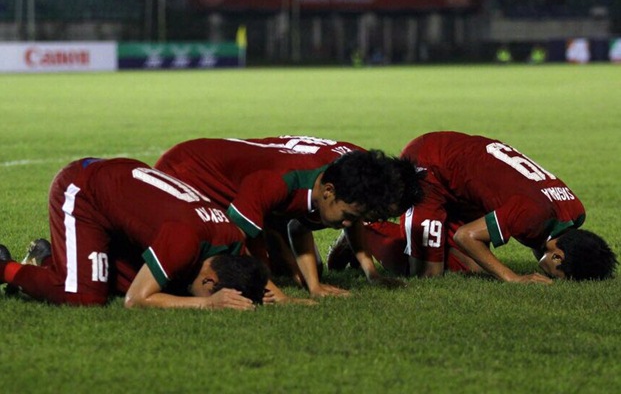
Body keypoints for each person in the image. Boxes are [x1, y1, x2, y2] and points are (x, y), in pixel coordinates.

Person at [155, 136, 424, 299]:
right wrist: (272, 290)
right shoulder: (282, 182)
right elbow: (242, 237)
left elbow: (294, 223)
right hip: (185, 173)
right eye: (348, 216)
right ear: (328, 192)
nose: (346, 224)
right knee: (202, 271)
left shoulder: (333, 179)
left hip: (241, 188)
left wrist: (314, 285)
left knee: (299, 270)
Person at [328, 131, 617, 283]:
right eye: (556, 274)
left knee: (473, 267)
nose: (547, 274)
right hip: (432, 168)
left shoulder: (574, 210)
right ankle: (364, 227)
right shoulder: (532, 215)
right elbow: (465, 236)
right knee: (427, 274)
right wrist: (512, 278)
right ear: (557, 258)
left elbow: (531, 234)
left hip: (463, 177)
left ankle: (395, 235)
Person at [0, 157, 270, 309]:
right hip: (83, 189)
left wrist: (278, 297)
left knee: (138, 280)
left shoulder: (230, 237)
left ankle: (47, 260)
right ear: (210, 282)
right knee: (84, 297)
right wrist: (206, 305)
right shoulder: (183, 241)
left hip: (119, 182)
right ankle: (5, 268)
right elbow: (135, 300)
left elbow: (250, 270)